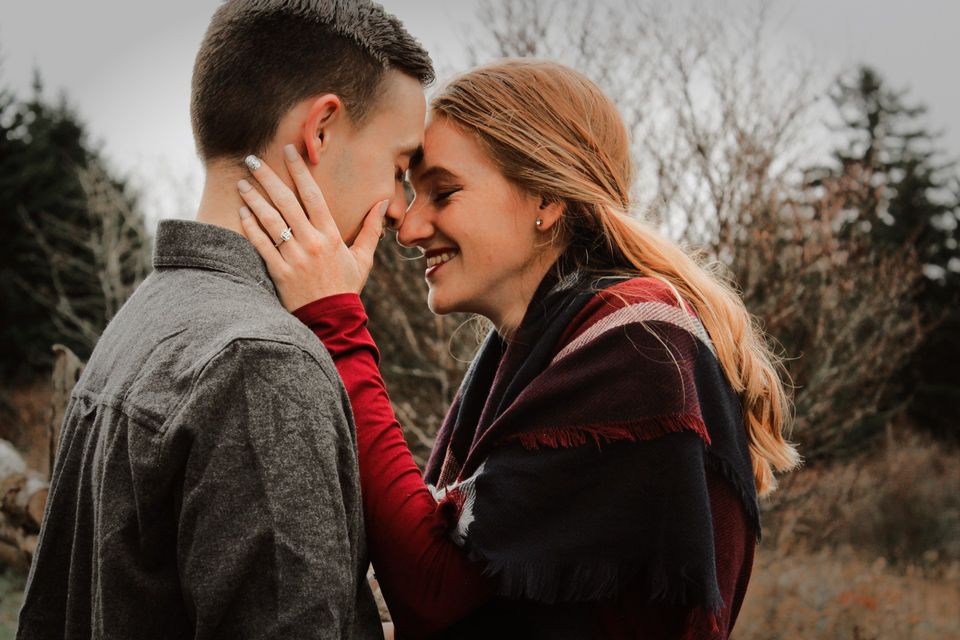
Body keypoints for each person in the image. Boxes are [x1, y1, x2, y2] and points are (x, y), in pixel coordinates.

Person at [238, 60, 802, 639]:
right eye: (413, 193)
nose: (406, 228)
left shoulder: (638, 342)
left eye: (444, 192)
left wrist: (336, 324)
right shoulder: (535, 348)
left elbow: (432, 590)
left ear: (546, 199)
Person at [17, 1, 433, 638]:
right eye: (400, 168)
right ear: (320, 130)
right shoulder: (262, 361)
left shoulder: (143, 319)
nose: (403, 212)